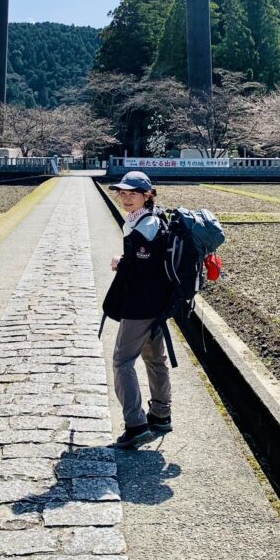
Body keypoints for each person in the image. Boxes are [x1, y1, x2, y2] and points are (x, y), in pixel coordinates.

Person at [102, 170, 173, 449]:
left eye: (133, 193)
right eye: (122, 193)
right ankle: (161, 415)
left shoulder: (145, 224)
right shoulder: (147, 220)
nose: (125, 198)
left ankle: (136, 425)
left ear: (148, 195)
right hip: (157, 304)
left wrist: (121, 262)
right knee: (155, 360)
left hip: (140, 305)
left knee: (122, 361)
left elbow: (143, 269)